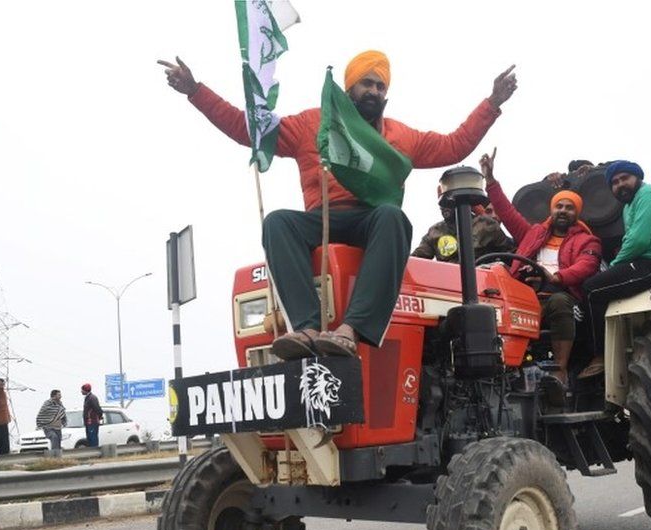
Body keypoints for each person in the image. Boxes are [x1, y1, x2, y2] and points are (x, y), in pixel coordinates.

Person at [159, 51, 517, 359]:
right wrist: (195, 91)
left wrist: (492, 104)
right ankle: (307, 328)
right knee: (278, 222)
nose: (374, 91)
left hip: (370, 221)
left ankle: (352, 329)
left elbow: (453, 146)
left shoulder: (400, 136)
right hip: (323, 219)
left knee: (394, 218)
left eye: (381, 86)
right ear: (349, 89)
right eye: (367, 83)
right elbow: (247, 128)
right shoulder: (312, 124)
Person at [480, 150, 602, 390]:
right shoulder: (533, 233)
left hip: (565, 297)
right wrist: (490, 180)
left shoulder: (587, 240)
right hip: (526, 295)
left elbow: (587, 265)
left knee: (558, 302)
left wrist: (556, 276)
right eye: (559, 206)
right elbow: (506, 212)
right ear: (552, 210)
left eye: (569, 207)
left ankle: (559, 371)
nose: (563, 211)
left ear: (576, 213)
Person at [580, 161, 651, 377]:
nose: (620, 185)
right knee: (597, 287)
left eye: (624, 178)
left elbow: (638, 240)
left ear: (637, 177)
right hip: (646, 261)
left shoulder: (650, 195)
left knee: (592, 289)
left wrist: (613, 266)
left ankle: (601, 357)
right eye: (615, 182)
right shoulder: (628, 206)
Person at [412, 191, 514, 263]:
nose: (444, 207)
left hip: (482, 282)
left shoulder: (486, 224)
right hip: (447, 283)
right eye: (442, 203)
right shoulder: (434, 231)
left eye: (448, 201)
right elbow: (416, 259)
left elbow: (511, 255)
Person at [36, 390, 67, 455]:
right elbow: (42, 413)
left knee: (58, 441)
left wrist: (64, 421)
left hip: (58, 427)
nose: (60, 396)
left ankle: (58, 457)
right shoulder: (47, 403)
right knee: (54, 437)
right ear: (54, 396)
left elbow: (62, 413)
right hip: (48, 427)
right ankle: (54, 455)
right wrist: (40, 424)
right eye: (59, 395)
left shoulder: (60, 403)